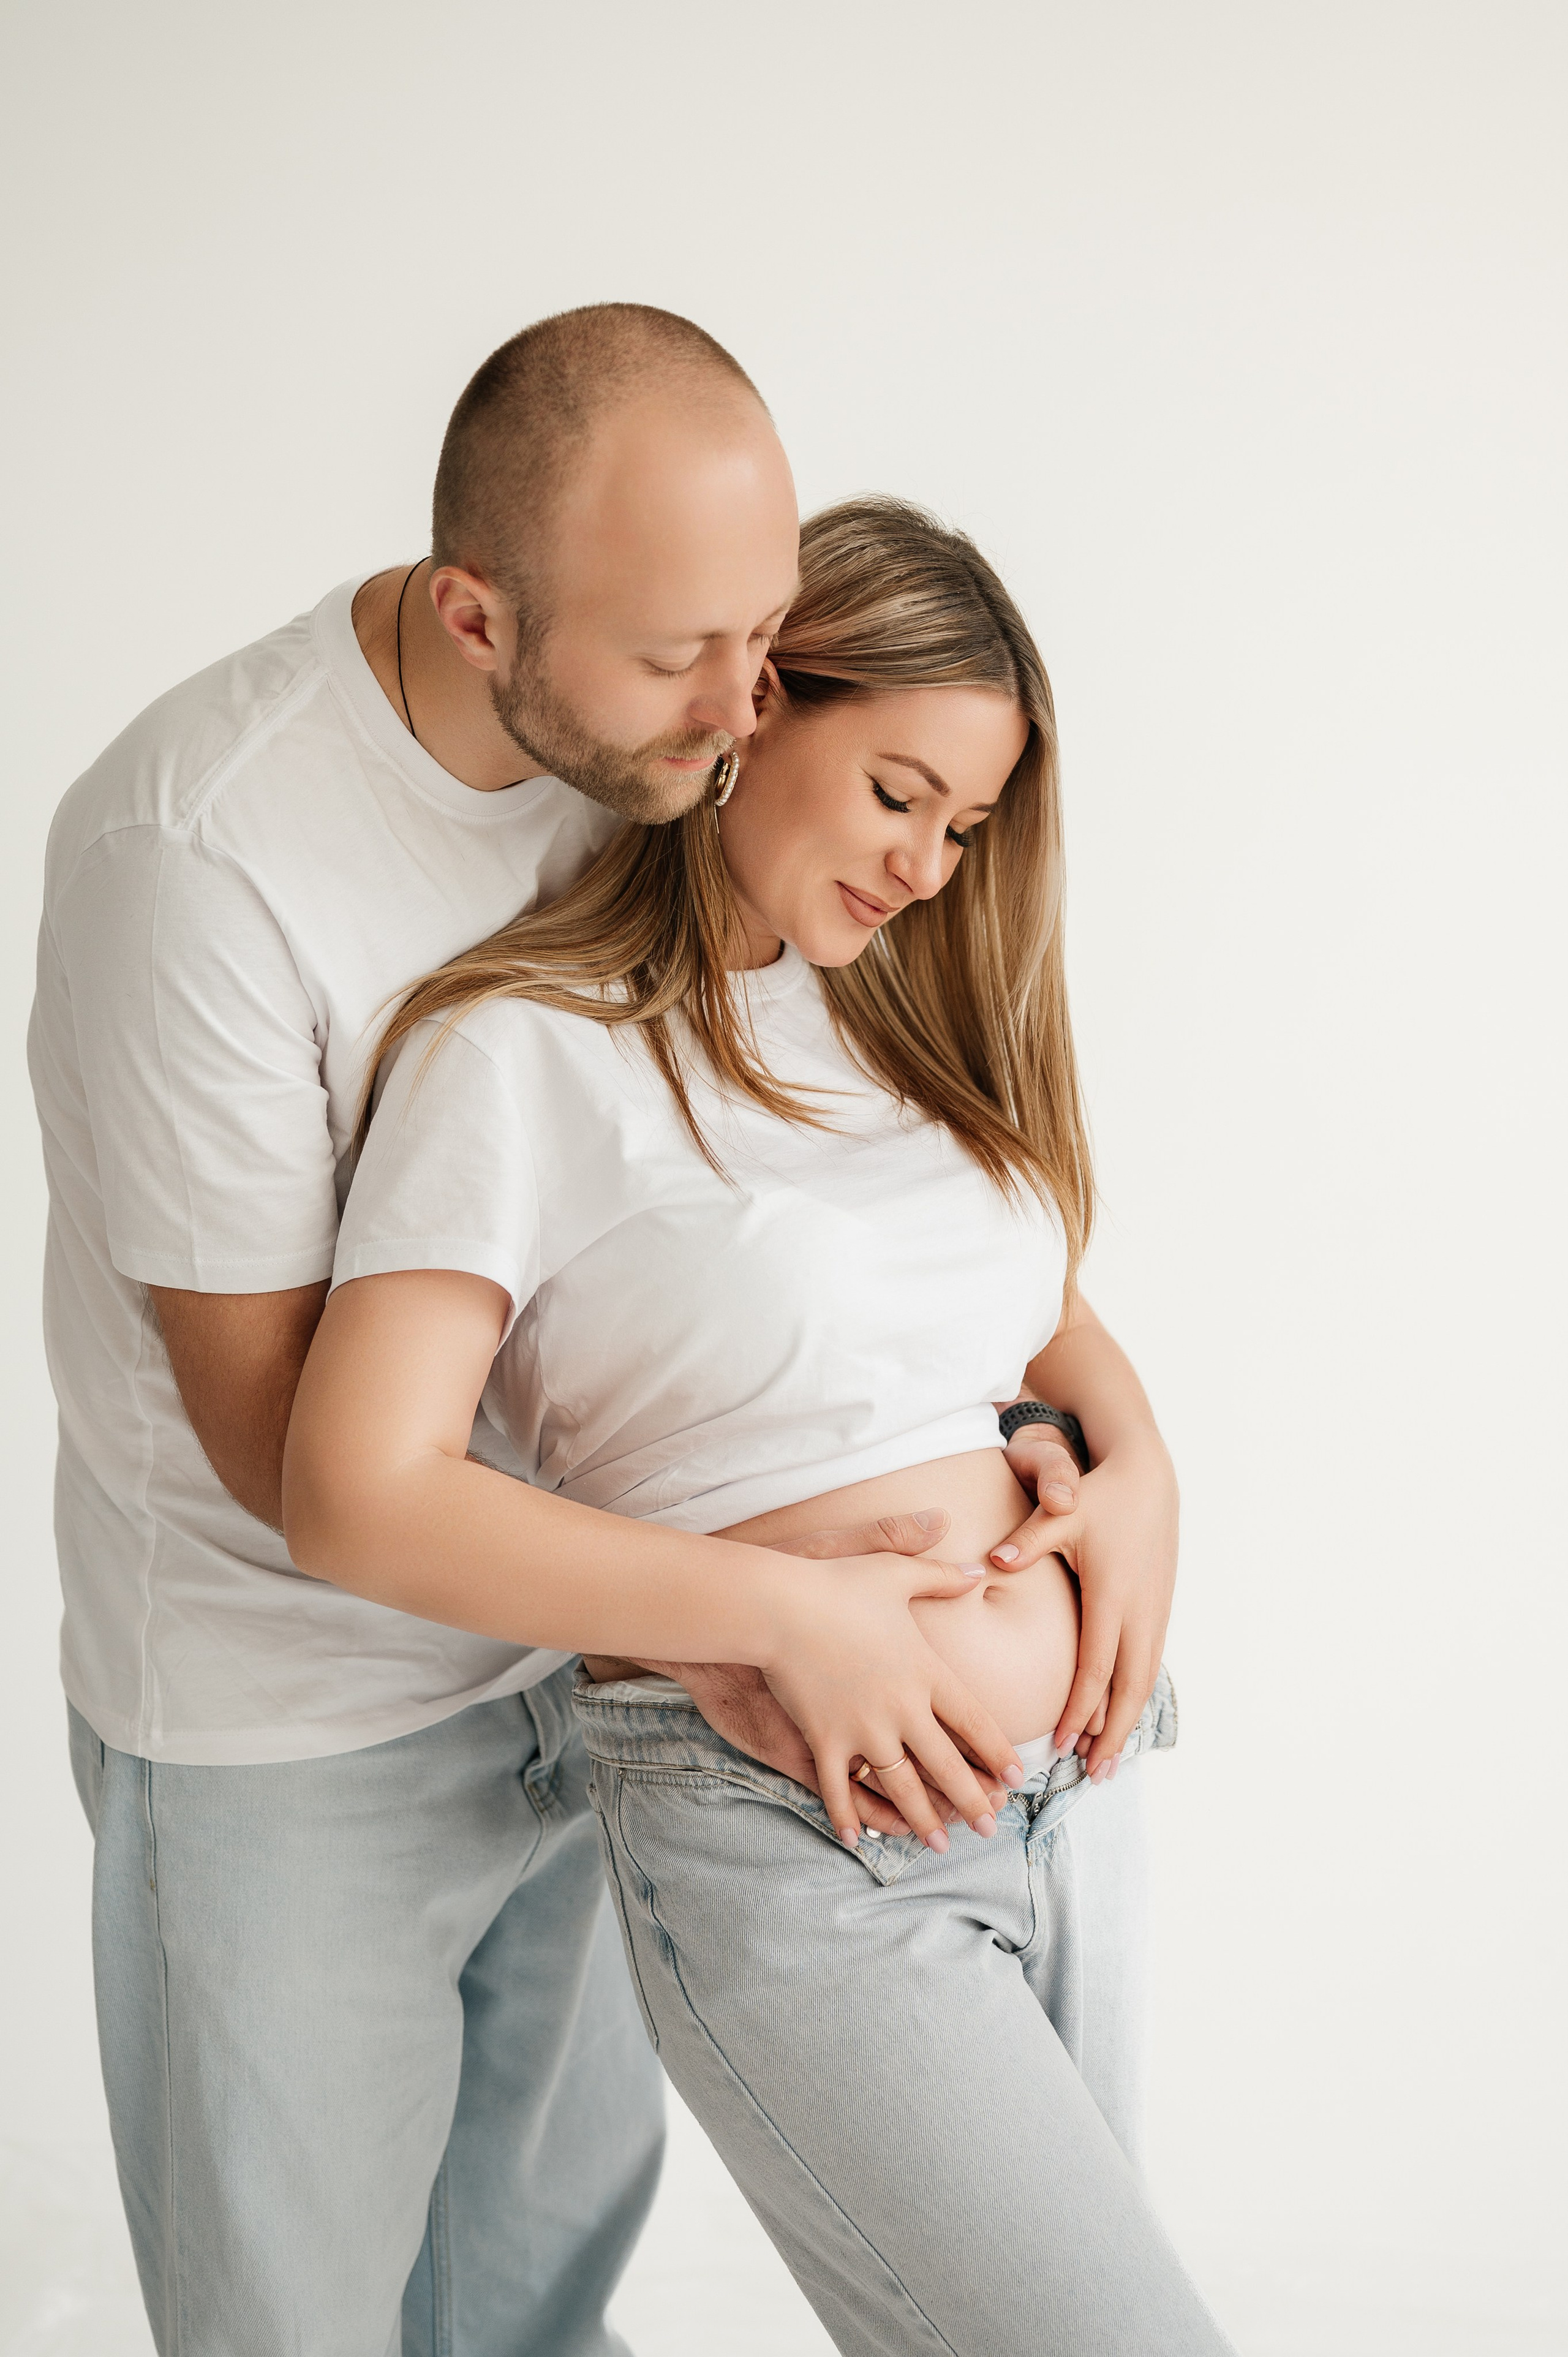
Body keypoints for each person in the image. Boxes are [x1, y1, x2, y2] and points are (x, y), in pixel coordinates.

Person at [28, 305, 1165, 2355]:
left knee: (531, 2311)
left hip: (596, 1676)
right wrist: (773, 1611)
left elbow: (878, 1265)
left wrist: (1125, 1467)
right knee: (305, 2320)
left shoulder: (677, 772)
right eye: (683, 659)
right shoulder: (203, 858)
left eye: (765, 634)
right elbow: (304, 1467)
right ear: (479, 619)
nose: (742, 705)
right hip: (301, 1714)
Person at [282, 497, 1229, 2355]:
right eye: (898, 794)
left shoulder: (873, 1019)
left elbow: (1032, 1305)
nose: (928, 867)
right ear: (760, 701)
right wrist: (787, 1614)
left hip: (1082, 1799)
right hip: (810, 1827)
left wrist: (1142, 1472)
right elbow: (356, 1493)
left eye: (966, 827)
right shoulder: (520, 1049)